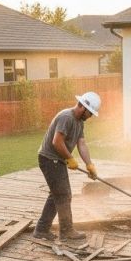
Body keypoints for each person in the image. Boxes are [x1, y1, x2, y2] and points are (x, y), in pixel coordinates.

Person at [34, 91, 101, 242]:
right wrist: (70, 158)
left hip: (57, 160)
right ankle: (66, 231)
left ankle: (41, 229)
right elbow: (57, 142)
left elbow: (82, 144)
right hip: (49, 159)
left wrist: (89, 164)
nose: (90, 117)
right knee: (64, 195)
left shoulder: (79, 122)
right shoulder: (67, 117)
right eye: (90, 114)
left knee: (57, 194)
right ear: (83, 107)